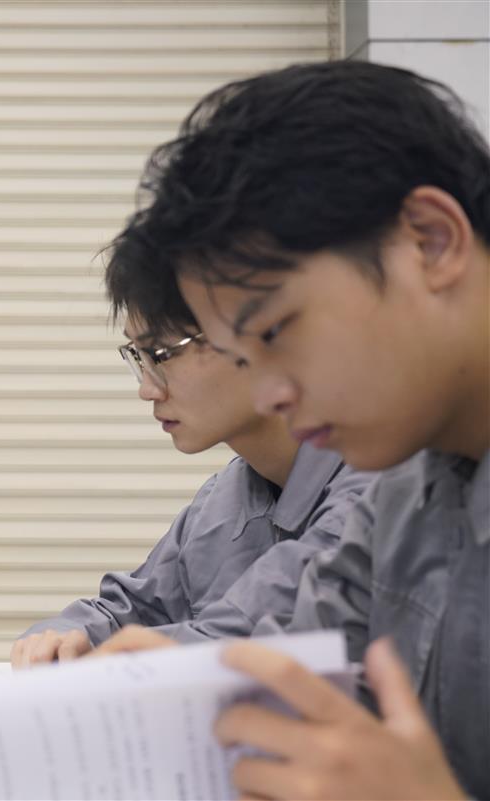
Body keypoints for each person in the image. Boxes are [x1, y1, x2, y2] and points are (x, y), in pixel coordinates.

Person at [104, 60, 486, 799]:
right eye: (245, 354)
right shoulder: (403, 490)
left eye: (277, 331)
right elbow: (292, 662)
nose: (271, 393)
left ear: (431, 242)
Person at [11, 253, 371, 667]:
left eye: (161, 354)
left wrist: (107, 658)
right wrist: (57, 638)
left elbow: (246, 636)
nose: (148, 389)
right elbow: (130, 610)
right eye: (136, 357)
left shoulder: (373, 484)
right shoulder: (222, 500)